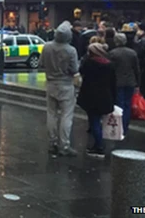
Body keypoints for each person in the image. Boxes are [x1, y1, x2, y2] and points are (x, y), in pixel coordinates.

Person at [39, 21, 79, 157]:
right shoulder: (71, 50)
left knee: (51, 114)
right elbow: (74, 70)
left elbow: (41, 64)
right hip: (66, 85)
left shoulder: (47, 47)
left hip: (50, 83)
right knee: (66, 116)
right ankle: (64, 145)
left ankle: (52, 143)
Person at [78, 43, 116, 158]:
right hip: (105, 96)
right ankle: (97, 143)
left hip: (91, 96)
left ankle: (99, 146)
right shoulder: (109, 65)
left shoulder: (89, 63)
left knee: (94, 121)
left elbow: (81, 72)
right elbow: (113, 82)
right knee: (98, 121)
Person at [109, 33, 140, 136]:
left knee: (119, 104)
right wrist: (137, 83)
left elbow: (111, 69)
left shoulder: (113, 53)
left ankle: (119, 126)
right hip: (130, 81)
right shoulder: (132, 53)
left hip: (117, 82)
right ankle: (125, 126)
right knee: (127, 104)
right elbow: (136, 69)